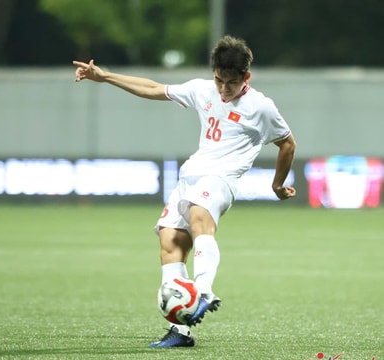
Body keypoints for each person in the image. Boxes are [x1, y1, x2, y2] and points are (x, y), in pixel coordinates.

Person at [73, 35, 296, 348]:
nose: (223, 89)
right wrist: (106, 76)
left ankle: (204, 290)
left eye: (231, 83)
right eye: (219, 80)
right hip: (190, 175)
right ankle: (181, 331)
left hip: (221, 179)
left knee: (199, 217)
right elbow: (153, 88)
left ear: (246, 77)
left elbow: (287, 143)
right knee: (170, 242)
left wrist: (277, 185)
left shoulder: (261, 107)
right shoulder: (202, 89)